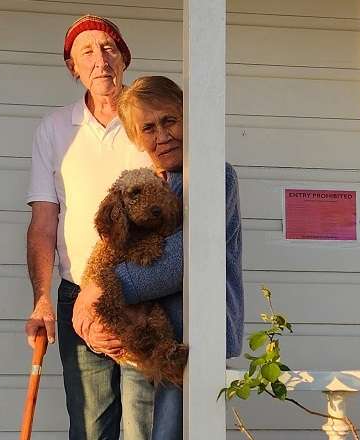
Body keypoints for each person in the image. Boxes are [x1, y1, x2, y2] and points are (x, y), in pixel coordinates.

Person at [72, 75, 244, 440]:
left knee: (169, 432)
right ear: (136, 137)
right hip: (150, 339)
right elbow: (114, 248)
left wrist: (99, 291)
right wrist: (92, 302)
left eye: (170, 121)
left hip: (192, 339)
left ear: (188, 117)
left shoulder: (213, 177)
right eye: (148, 128)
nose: (162, 136)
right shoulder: (154, 183)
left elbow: (182, 261)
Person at [24, 15, 155, 440]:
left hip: (144, 292)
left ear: (124, 59)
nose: (101, 60)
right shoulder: (54, 129)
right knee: (90, 428)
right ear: (72, 67)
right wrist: (42, 301)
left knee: (144, 428)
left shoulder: (150, 124)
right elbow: (44, 224)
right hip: (77, 297)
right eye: (87, 52)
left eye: (109, 48)